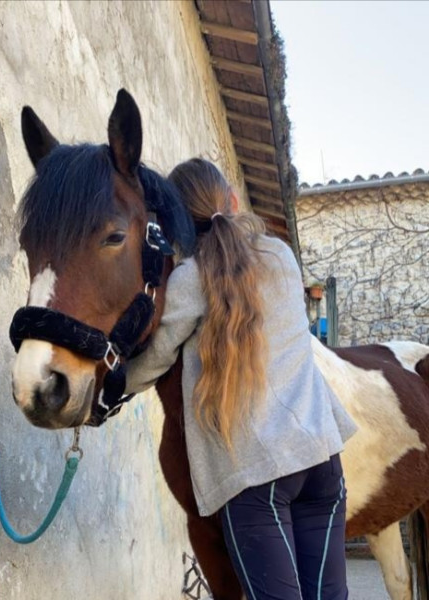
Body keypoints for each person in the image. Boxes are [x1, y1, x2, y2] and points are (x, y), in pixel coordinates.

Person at [125, 158, 357, 600]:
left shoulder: (190, 280)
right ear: (232, 200)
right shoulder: (281, 256)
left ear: (177, 223)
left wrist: (112, 386)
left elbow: (154, 360)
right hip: (322, 462)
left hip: (256, 477)